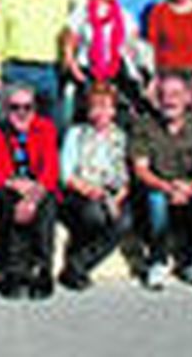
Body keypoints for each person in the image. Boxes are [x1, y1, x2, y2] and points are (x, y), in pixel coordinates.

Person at [129, 72, 192, 290]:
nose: (170, 100)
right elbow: (141, 169)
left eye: (176, 94)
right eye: (164, 95)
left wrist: (189, 188)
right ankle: (158, 261)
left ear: (187, 98)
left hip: (189, 186)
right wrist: (167, 187)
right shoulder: (144, 125)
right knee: (156, 201)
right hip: (157, 186)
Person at [0, 83, 61, 299]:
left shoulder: (46, 128)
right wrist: (23, 193)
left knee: (46, 208)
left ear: (34, 109)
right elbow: (0, 173)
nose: (21, 113)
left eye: (27, 107)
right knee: (10, 205)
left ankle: (42, 270)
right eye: (15, 107)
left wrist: (32, 198)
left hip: (40, 188)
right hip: (11, 186)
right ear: (6, 109)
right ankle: (15, 272)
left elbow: (51, 171)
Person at [58, 82, 130, 290]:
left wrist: (117, 198)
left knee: (123, 221)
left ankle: (77, 265)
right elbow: (66, 174)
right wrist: (90, 190)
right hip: (80, 191)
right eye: (95, 107)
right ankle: (77, 268)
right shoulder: (76, 134)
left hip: (110, 193)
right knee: (94, 215)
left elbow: (124, 177)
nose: (101, 112)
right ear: (88, 110)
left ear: (114, 110)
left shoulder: (120, 137)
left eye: (106, 106)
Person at [65, 0, 146, 121]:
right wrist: (76, 71)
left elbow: (134, 46)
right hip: (89, 73)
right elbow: (69, 45)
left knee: (119, 120)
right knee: (86, 118)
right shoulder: (82, 13)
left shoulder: (124, 15)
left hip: (116, 74)